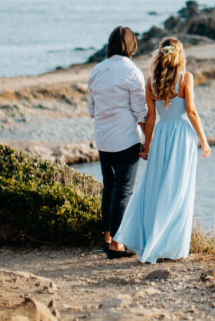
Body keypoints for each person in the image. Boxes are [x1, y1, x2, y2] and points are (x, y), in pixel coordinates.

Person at [115, 37, 211, 263]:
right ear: (180, 55)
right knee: (178, 189)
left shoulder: (151, 83)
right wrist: (204, 140)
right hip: (182, 138)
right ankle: (171, 246)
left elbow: (150, 117)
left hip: (162, 136)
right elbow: (191, 112)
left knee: (156, 188)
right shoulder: (186, 78)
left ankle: (152, 241)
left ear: (161, 55)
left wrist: (147, 145)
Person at [87, 26, 146, 259]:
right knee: (123, 190)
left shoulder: (97, 70)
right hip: (126, 138)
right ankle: (117, 246)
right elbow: (141, 112)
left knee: (109, 188)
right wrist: (148, 142)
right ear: (131, 45)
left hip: (103, 138)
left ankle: (108, 239)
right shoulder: (133, 71)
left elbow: (91, 108)